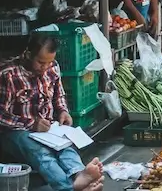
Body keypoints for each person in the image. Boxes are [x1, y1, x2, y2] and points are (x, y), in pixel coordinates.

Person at [0, 34, 104, 191]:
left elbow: (59, 95)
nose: (45, 67)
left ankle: (79, 175)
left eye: (48, 62)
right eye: (41, 62)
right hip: (15, 132)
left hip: (48, 129)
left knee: (66, 148)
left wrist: (63, 111)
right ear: (28, 54)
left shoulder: (53, 67)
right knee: (41, 153)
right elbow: (1, 115)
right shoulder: (8, 75)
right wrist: (31, 123)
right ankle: (68, 187)